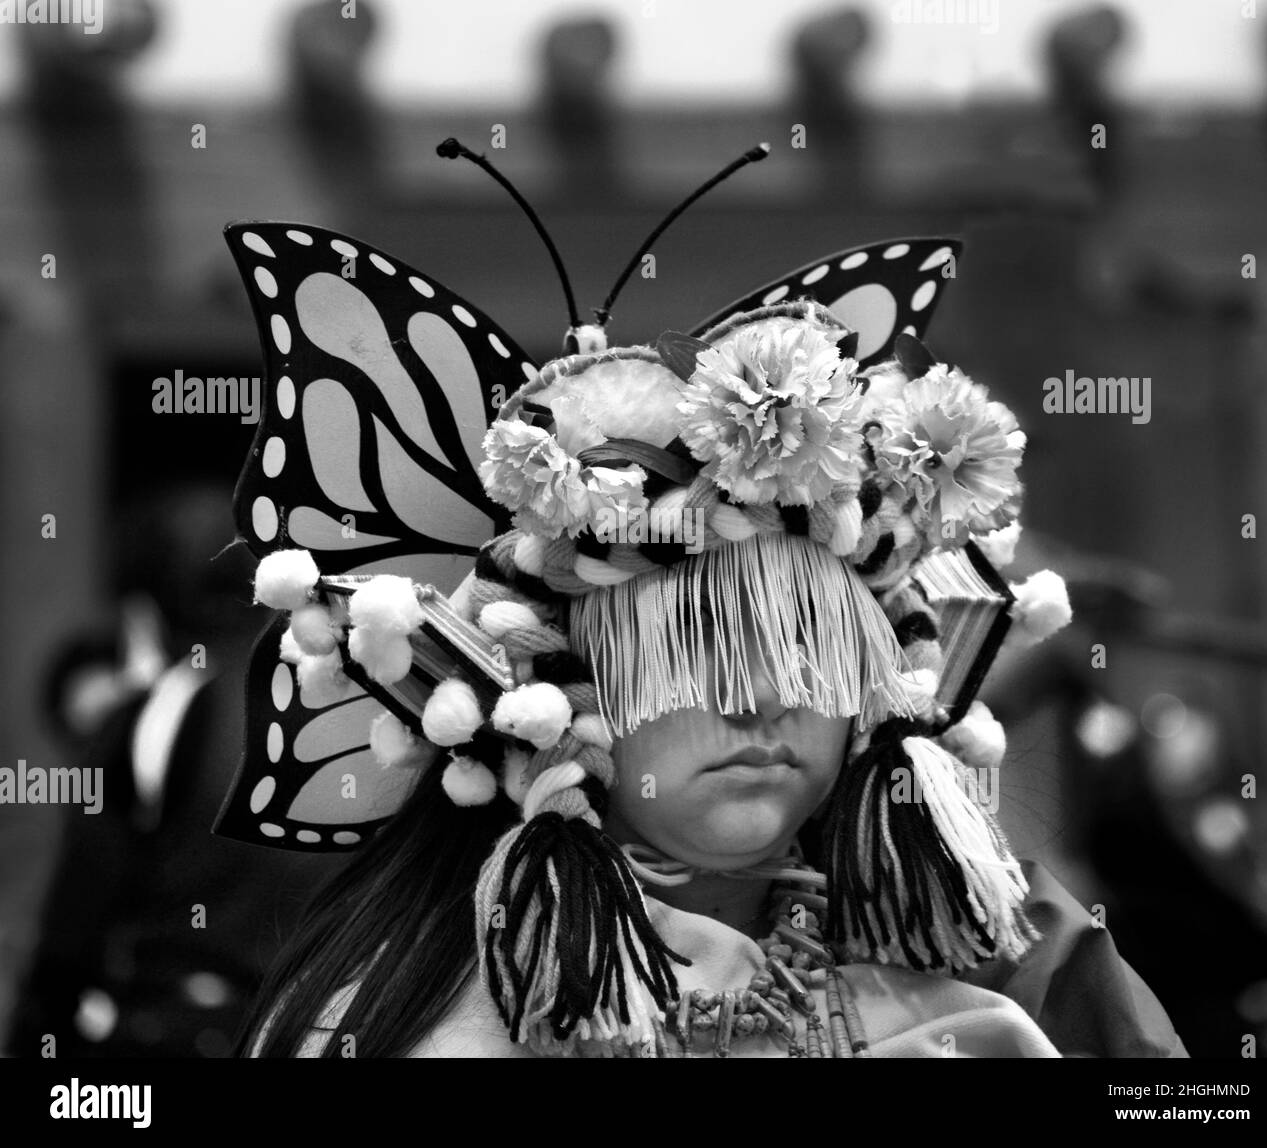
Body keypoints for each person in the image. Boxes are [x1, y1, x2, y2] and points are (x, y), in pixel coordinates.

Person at [221, 144, 1186, 1059]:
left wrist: (1025, 943)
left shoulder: (990, 978)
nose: (759, 703)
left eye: (810, 647)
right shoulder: (406, 1015)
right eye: (697, 651)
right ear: (572, 701)